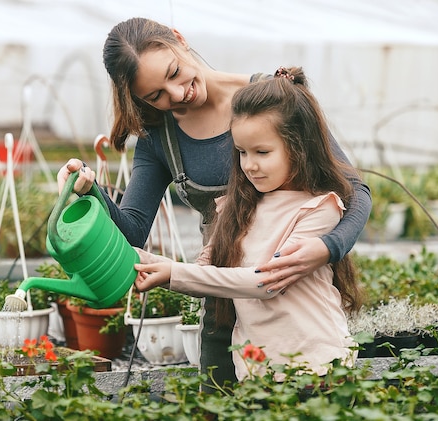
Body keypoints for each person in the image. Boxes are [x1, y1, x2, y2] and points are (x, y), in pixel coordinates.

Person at [56, 17, 371, 389]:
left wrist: (327, 248)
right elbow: (134, 230)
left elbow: (355, 191)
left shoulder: (272, 97)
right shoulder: (160, 138)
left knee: (305, 387)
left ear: (179, 39)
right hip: (221, 288)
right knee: (219, 395)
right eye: (155, 95)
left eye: (174, 73)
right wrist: (89, 191)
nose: (176, 95)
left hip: (295, 289)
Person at [133, 67, 365, 382]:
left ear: (298, 146)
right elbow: (211, 276)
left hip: (316, 369)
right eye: (242, 152)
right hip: (258, 372)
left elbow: (263, 282)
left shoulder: (319, 208)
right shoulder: (237, 208)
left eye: (262, 152)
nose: (250, 165)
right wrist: (157, 265)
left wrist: (172, 273)